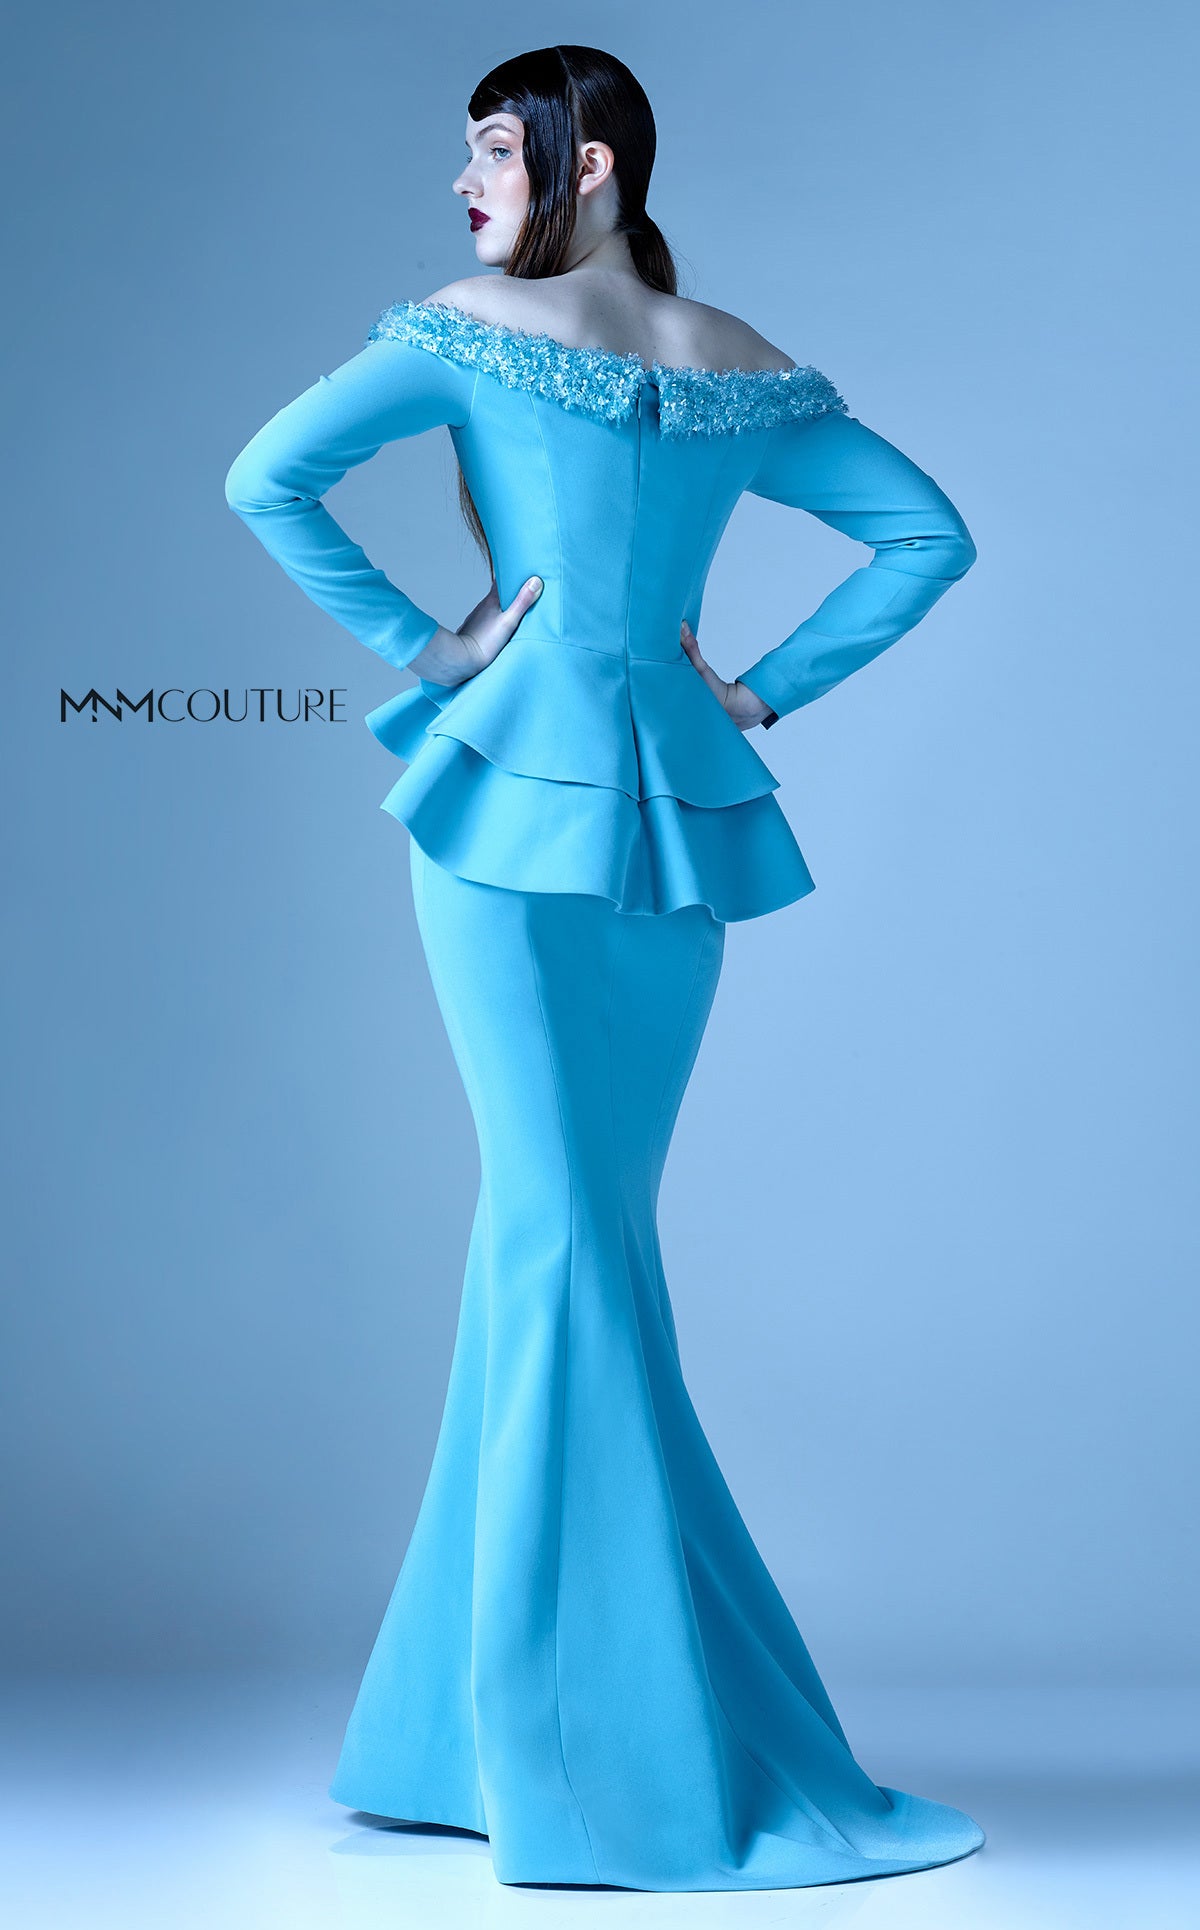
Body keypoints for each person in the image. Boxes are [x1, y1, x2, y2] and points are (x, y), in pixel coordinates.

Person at [224, 42, 983, 1895]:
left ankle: (569, 1759)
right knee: (563, 1241)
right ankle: (474, 1727)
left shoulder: (474, 328)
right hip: (670, 834)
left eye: (493, 149)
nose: (465, 184)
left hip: (513, 815)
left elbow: (265, 478)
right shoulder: (734, 358)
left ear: (591, 161)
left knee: (560, 1245)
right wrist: (753, 691)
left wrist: (430, 647)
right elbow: (927, 536)